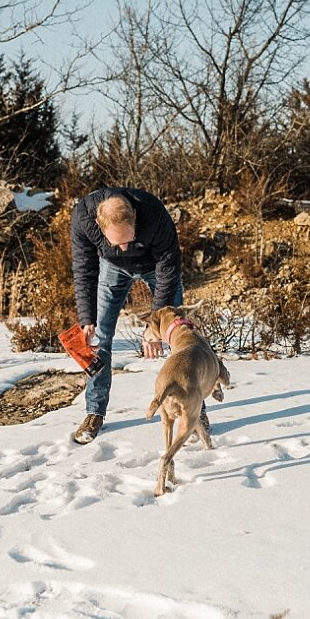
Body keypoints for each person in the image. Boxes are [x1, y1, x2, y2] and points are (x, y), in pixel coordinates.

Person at [69, 186, 203, 444]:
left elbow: (168, 269)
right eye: (118, 242)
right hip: (112, 269)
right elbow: (84, 269)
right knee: (99, 339)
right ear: (99, 225)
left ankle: (196, 410)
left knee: (181, 339)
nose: (125, 247)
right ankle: (94, 412)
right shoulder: (83, 217)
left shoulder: (153, 213)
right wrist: (87, 320)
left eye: (129, 240)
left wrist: (154, 329)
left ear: (135, 215)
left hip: (156, 267)